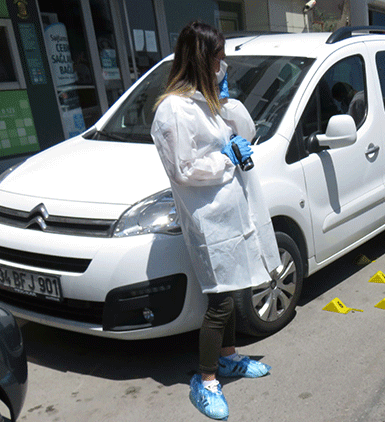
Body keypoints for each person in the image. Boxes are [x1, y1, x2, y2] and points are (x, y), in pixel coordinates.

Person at [150, 21, 282, 420]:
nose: (223, 64)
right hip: (209, 220)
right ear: (200, 59)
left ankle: (228, 358)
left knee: (233, 289)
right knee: (221, 300)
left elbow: (246, 133)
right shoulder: (172, 109)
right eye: (218, 57)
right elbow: (184, 168)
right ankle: (206, 379)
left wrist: (226, 108)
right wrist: (226, 156)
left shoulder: (206, 102)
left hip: (233, 211)